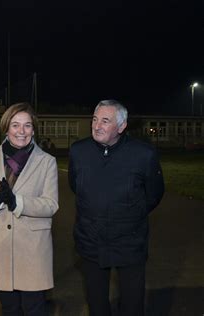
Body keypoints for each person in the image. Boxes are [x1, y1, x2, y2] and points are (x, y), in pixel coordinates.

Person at [68, 100, 164, 316]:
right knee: (97, 304)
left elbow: (154, 194)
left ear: (121, 127)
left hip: (130, 244)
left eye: (105, 121)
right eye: (94, 119)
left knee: (132, 305)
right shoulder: (78, 151)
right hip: (90, 241)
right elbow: (76, 186)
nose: (96, 126)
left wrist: (129, 214)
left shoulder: (144, 154)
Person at [0, 102, 59, 316]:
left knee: (34, 309)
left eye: (27, 126)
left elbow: (51, 204)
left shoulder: (47, 162)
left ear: (34, 129)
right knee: (9, 308)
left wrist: (17, 201)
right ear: (6, 128)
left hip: (33, 250)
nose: (21, 131)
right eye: (15, 125)